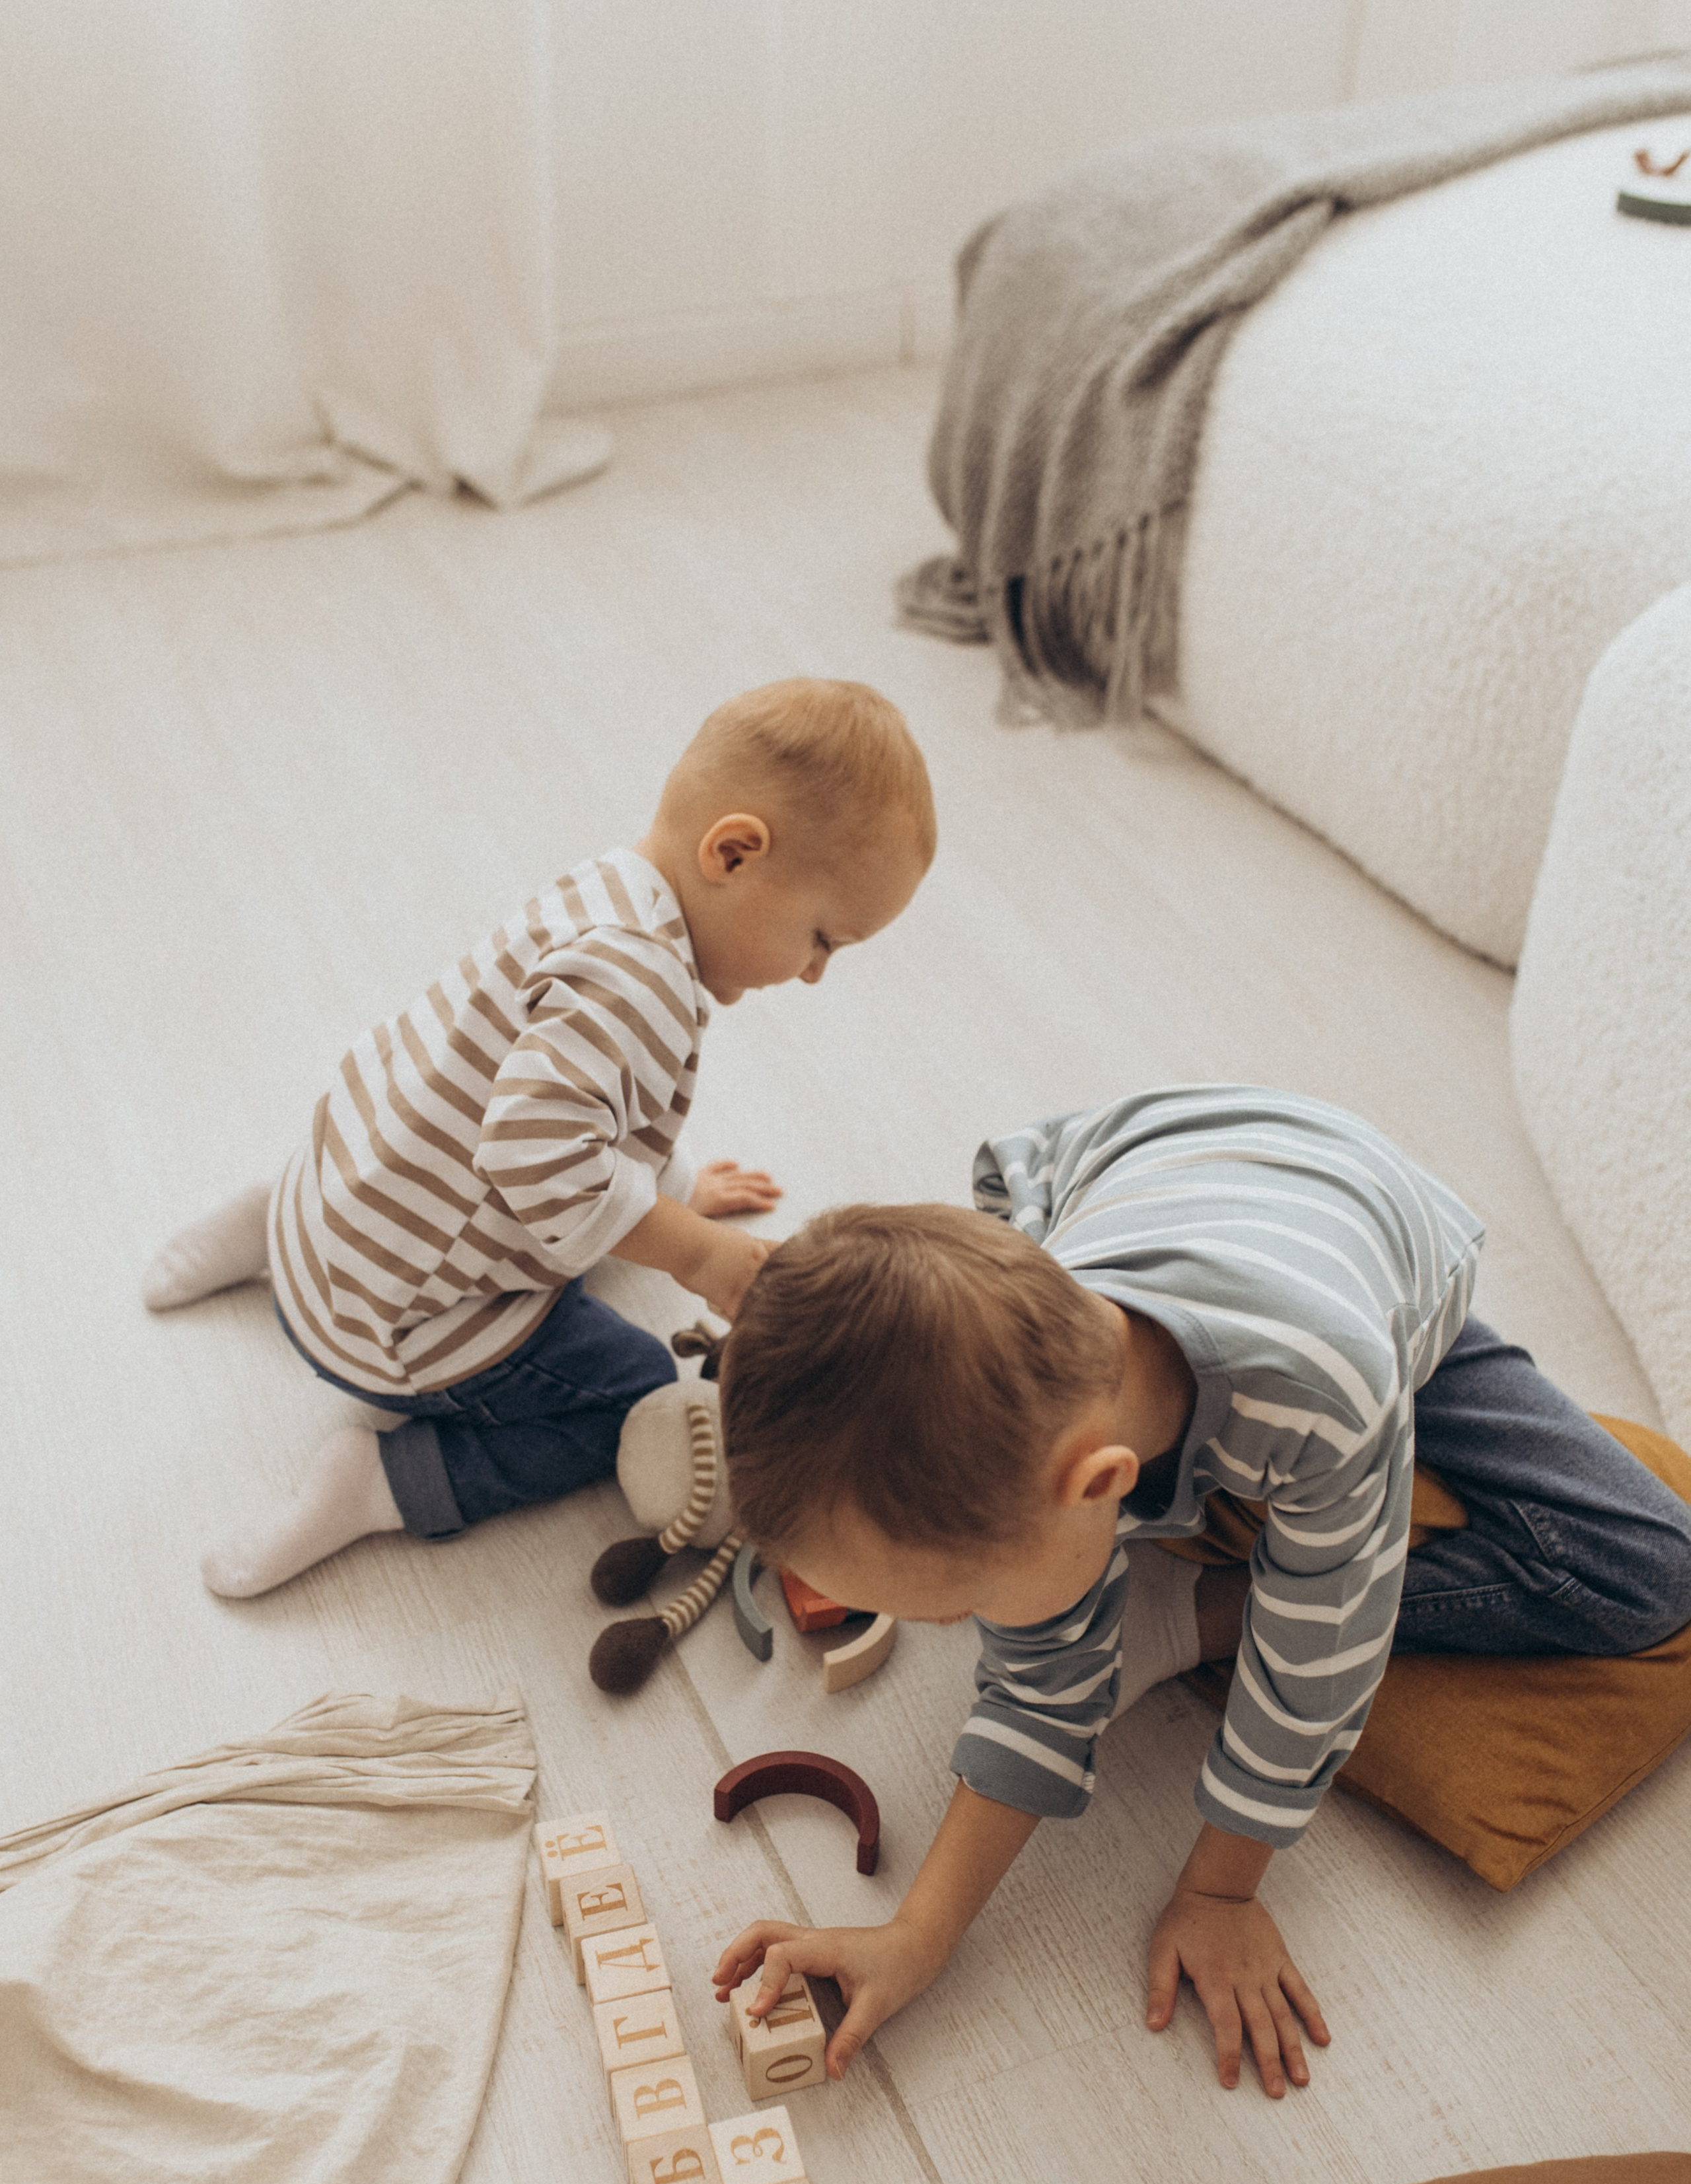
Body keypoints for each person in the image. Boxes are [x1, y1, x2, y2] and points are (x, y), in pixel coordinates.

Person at [711, 1086, 1691, 2097]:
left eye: (959, 1609)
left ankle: (1200, 1614)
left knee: (1650, 1572)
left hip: (1369, 1234)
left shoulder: (1328, 1394)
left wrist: (1222, 1890)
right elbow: (1042, 1687)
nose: (971, 1645)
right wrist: (917, 1937)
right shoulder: (1018, 1334)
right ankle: (1180, 1605)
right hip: (1136, 1176)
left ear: (1101, 1486)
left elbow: (1320, 1668)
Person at [143, 677, 935, 1598]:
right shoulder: (640, 983)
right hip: (385, 1326)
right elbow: (540, 1158)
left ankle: (271, 1220)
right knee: (633, 1398)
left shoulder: (609, 893)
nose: (813, 975)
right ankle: (379, 1487)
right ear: (734, 854)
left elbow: (577, 1103)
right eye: (823, 939)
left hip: (333, 1207)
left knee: (464, 1123)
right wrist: (697, 1253)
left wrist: (671, 1192)